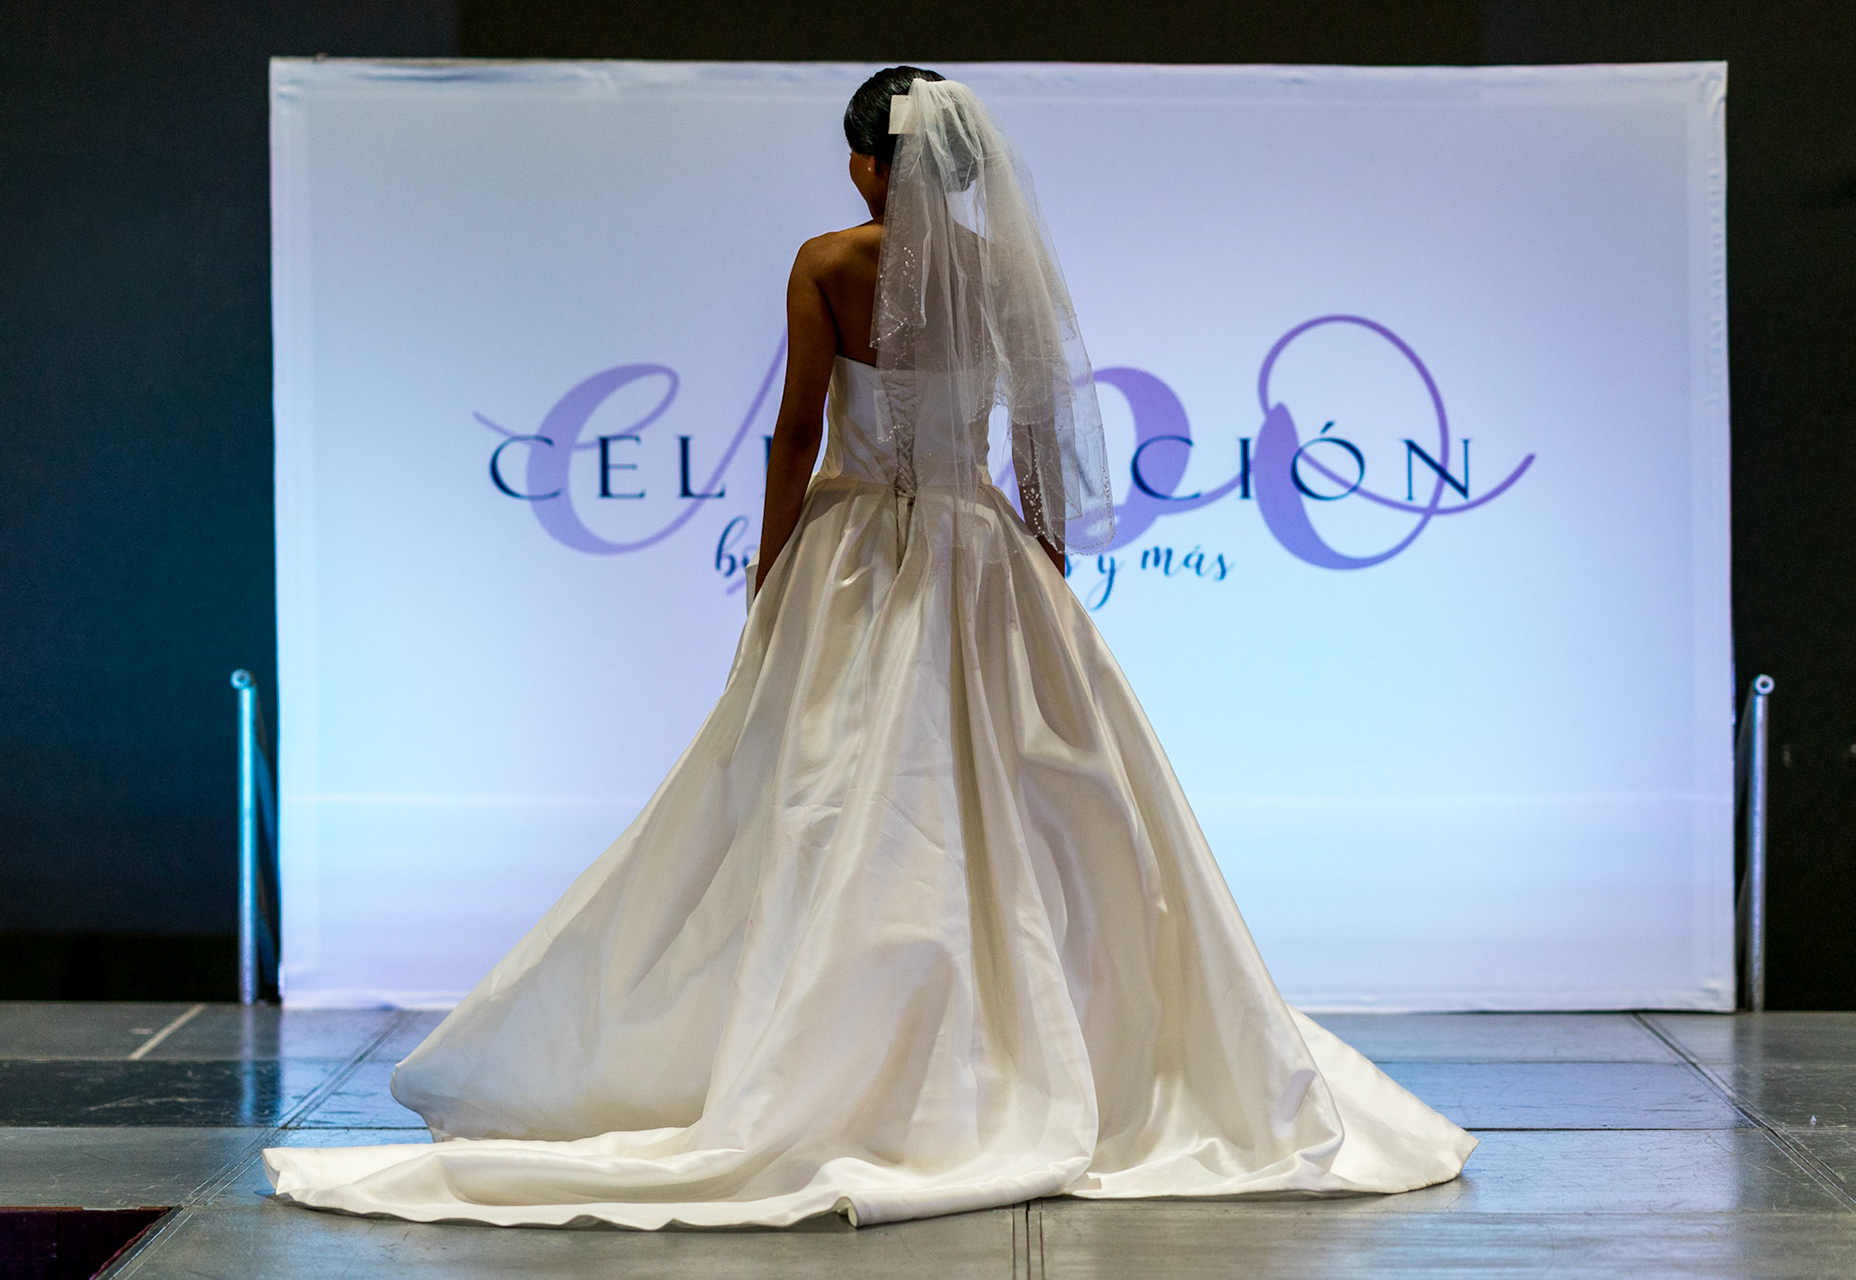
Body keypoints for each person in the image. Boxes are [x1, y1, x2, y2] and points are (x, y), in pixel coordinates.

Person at [265, 67, 1475, 1230]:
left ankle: (823, 1042)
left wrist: (771, 566)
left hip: (854, 555)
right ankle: (1039, 1049)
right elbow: (1039, 431)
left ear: (864, 164)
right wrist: (1046, 555)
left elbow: (798, 429)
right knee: (1024, 808)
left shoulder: (829, 263)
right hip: (981, 554)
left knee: (818, 796)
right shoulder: (1004, 272)